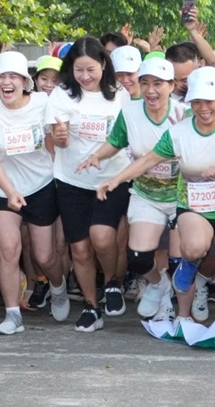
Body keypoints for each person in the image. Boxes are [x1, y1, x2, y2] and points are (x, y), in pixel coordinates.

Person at [99, 66, 215, 323]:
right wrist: (114, 181)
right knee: (192, 249)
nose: (203, 108)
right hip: (192, 206)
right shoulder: (178, 132)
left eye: (209, 101)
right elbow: (148, 160)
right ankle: (188, 269)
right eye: (196, 102)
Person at [77, 56, 185, 322]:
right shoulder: (131, 112)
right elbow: (116, 141)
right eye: (145, 83)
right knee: (138, 257)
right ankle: (159, 285)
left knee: (178, 258)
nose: (150, 90)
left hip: (184, 194)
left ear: (171, 85)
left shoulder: (185, 114)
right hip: (147, 193)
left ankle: (175, 308)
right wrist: (98, 156)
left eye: (158, 84)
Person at [0, 51, 71, 333]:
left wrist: (61, 139)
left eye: (13, 76)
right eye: (1, 77)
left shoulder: (42, 103)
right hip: (2, 188)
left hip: (40, 185)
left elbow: (58, 140)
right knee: (8, 250)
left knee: (44, 256)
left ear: (25, 81)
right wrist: (10, 190)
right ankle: (12, 314)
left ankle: (58, 286)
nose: (7, 82)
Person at [49, 36, 129, 330]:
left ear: (103, 64)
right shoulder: (62, 95)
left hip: (112, 178)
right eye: (78, 70)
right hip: (71, 180)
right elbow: (58, 133)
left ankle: (112, 281)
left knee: (102, 236)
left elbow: (126, 134)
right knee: (80, 249)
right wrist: (61, 137)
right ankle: (92, 307)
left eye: (91, 70)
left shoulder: (120, 94)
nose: (85, 76)